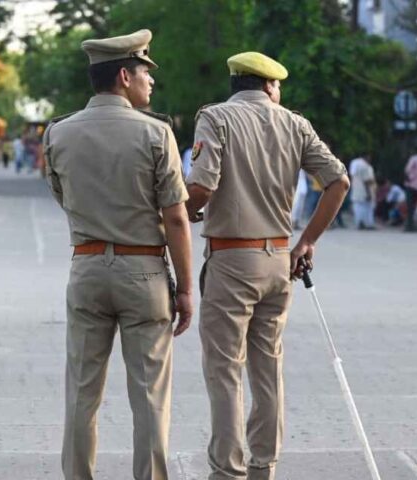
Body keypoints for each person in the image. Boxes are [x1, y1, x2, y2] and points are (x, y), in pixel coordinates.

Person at [185, 51, 349, 480]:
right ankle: (264, 467)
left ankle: (227, 471)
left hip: (231, 259)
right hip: (279, 260)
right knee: (268, 368)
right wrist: (307, 241)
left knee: (224, 370)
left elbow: (201, 185)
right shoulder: (295, 124)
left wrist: (180, 211)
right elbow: (338, 181)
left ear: (236, 82)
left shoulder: (216, 118)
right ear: (270, 86)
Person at [42, 29, 193, 480]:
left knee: (81, 395)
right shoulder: (156, 133)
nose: (151, 81)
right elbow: (178, 219)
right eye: (146, 72)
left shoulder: (58, 133)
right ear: (125, 75)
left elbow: (62, 195)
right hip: (143, 273)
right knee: (149, 396)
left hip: (86, 267)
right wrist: (186, 288)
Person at [349, 154, 376, 230]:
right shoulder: (365, 166)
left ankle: (359, 222)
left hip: (355, 189)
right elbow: (367, 181)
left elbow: (352, 175)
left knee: (357, 207)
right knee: (367, 207)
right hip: (364, 190)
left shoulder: (354, 163)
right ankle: (367, 223)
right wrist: (369, 193)